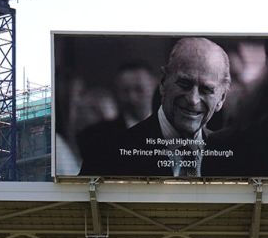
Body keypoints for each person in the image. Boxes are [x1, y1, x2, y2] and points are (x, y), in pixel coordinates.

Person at [79, 39, 231, 179]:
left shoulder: (232, 157)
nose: (193, 99)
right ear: (163, 82)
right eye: (184, 84)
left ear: (221, 99)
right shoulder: (106, 154)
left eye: (206, 90)